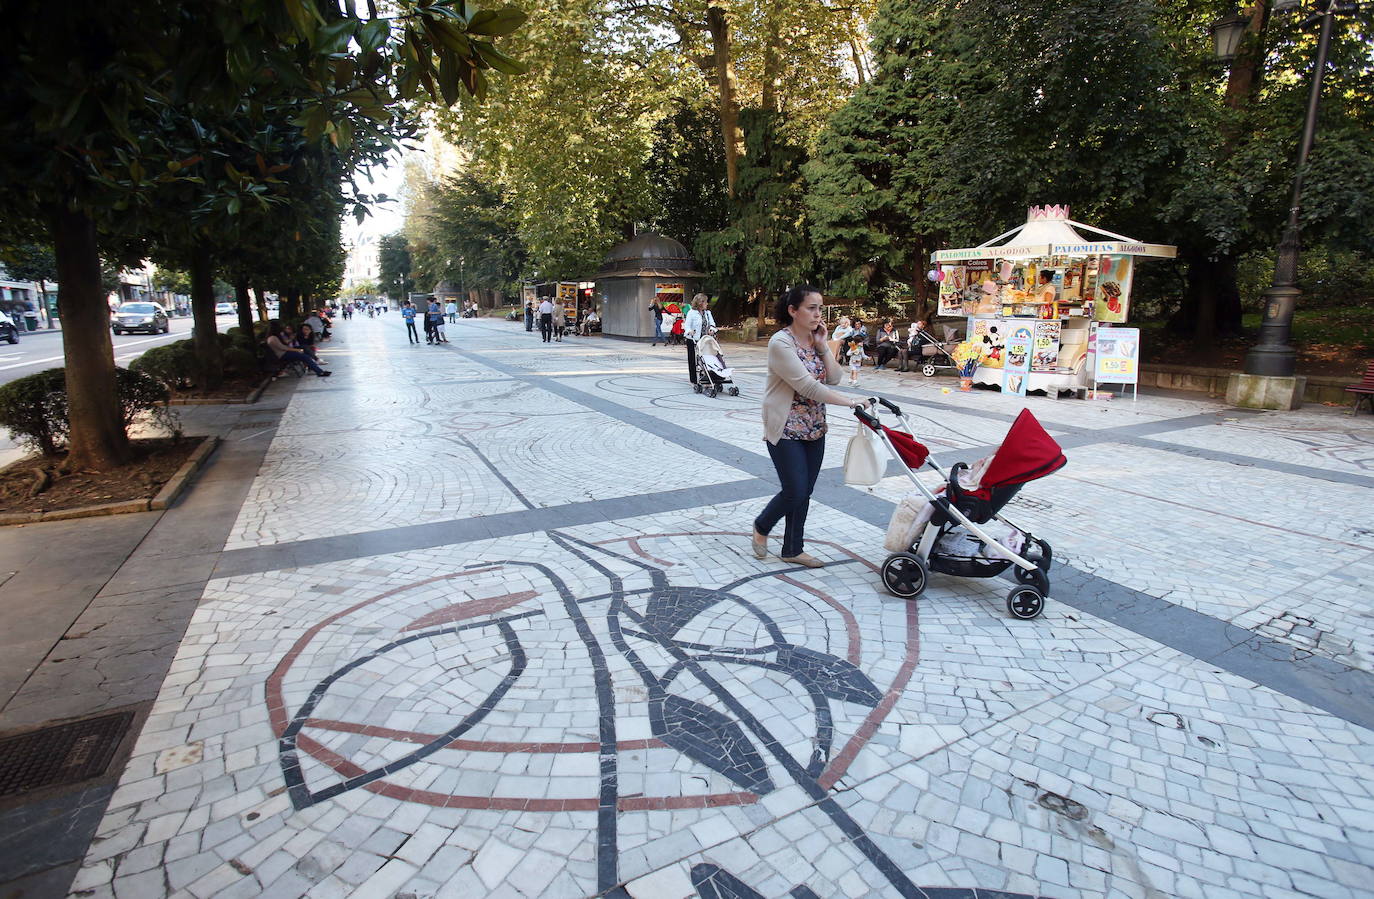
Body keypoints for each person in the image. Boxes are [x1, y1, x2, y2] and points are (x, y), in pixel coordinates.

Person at [753, 285, 857, 568]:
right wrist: (851, 403)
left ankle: (792, 549)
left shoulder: (814, 340)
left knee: (804, 492)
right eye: (811, 308)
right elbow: (808, 387)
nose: (817, 314)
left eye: (819, 308)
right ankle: (762, 525)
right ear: (792, 311)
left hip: (814, 426)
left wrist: (823, 346)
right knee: (795, 490)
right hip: (786, 427)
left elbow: (834, 378)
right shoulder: (780, 343)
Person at [683, 294, 713, 386]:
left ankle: (707, 376)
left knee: (706, 358)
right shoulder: (691, 313)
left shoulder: (707, 313)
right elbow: (687, 325)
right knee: (692, 359)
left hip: (704, 339)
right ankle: (694, 380)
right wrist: (689, 331)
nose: (707, 304)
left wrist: (712, 329)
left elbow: (712, 324)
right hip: (693, 339)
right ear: (700, 303)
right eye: (705, 302)